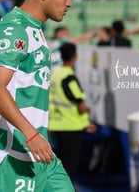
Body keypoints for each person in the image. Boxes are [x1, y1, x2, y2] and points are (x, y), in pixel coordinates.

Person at [0, 0, 79, 192]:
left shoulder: (35, 28)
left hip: (41, 154)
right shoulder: (13, 28)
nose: (69, 3)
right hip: (13, 157)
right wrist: (30, 135)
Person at [49, 43, 95, 179]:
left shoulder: (55, 73)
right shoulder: (69, 77)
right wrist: (87, 113)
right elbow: (79, 105)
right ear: (75, 56)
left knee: (61, 163)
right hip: (71, 126)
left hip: (56, 124)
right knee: (69, 165)